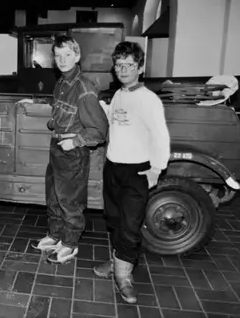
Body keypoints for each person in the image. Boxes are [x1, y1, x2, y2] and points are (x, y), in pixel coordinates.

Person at [93, 41, 170, 303]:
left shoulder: (149, 99)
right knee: (115, 220)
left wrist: (157, 168)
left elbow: (160, 136)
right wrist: (104, 110)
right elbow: (118, 122)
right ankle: (117, 261)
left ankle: (124, 276)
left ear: (140, 67)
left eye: (129, 65)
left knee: (129, 225)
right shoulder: (119, 94)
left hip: (137, 171)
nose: (123, 69)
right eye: (119, 65)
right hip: (113, 167)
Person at [32, 34, 109, 265]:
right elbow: (65, 113)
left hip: (72, 152)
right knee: (54, 197)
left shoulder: (84, 87)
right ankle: (55, 235)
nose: (63, 60)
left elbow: (99, 130)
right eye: (58, 55)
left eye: (67, 54)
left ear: (77, 56)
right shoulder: (61, 83)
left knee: (70, 201)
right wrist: (53, 122)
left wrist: (75, 141)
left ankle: (70, 243)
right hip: (57, 147)